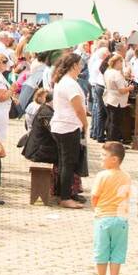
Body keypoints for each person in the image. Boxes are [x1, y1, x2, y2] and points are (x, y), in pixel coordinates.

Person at [90, 141, 131, 275]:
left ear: (114, 159)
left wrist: (97, 208)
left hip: (103, 217)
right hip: (121, 219)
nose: (101, 157)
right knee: (117, 251)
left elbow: (95, 196)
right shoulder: (126, 176)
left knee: (101, 249)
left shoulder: (102, 176)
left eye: (104, 155)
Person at [49, 52, 88, 209]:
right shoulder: (69, 83)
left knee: (64, 162)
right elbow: (78, 108)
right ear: (74, 66)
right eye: (80, 65)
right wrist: (85, 124)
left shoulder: (64, 81)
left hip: (62, 124)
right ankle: (65, 197)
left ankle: (63, 193)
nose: (81, 68)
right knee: (68, 163)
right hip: (68, 126)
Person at [102, 53, 131, 143]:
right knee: (115, 122)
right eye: (120, 62)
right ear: (117, 62)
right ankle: (113, 141)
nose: (121, 64)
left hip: (109, 98)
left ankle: (109, 139)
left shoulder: (108, 71)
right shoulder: (116, 74)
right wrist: (130, 88)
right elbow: (121, 90)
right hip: (117, 100)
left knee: (110, 120)